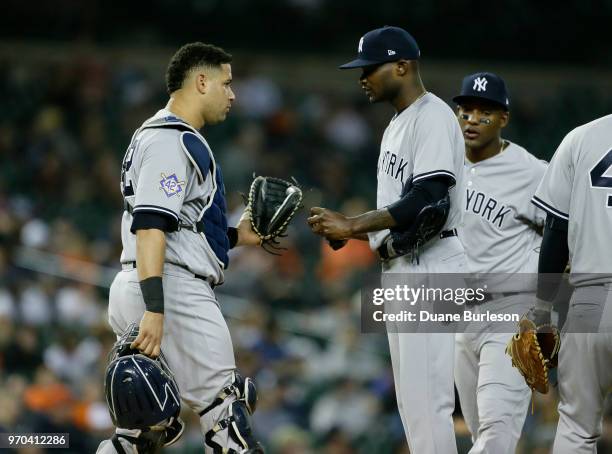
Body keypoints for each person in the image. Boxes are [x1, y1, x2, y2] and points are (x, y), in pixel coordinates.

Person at [98, 42, 264, 453]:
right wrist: (156, 308)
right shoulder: (172, 140)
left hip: (149, 279)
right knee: (227, 413)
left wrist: (240, 236)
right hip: (168, 289)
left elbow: (179, 229)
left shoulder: (156, 134)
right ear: (201, 81)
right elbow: (151, 227)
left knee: (144, 432)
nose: (232, 94)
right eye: (226, 83)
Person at [308, 26, 467, 453]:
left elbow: (430, 196)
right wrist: (360, 232)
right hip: (404, 264)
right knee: (413, 404)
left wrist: (353, 225)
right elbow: (402, 208)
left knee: (428, 401)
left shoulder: (432, 115)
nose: (362, 77)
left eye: (370, 68)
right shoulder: (399, 123)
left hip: (431, 264)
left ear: (403, 65)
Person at [452, 72, 547, 453]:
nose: (473, 118)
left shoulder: (534, 172)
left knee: (496, 435)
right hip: (459, 317)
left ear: (504, 118)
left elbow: (573, 231)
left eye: (485, 111)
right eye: (466, 110)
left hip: (510, 317)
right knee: (483, 437)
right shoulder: (444, 165)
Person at [530, 114, 612, 453]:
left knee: (577, 427)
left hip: (591, 302)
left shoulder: (582, 137)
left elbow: (556, 231)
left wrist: (542, 312)